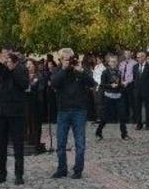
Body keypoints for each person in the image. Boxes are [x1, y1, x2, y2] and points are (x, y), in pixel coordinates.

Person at [51, 48, 96, 179]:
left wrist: (81, 71)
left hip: (79, 110)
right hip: (63, 110)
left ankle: (78, 170)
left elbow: (92, 83)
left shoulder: (79, 69)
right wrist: (64, 69)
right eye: (65, 59)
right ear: (60, 60)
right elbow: (54, 83)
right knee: (61, 142)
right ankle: (62, 169)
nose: (68, 61)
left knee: (80, 143)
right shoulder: (57, 70)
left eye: (69, 58)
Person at [0, 50, 29, 185]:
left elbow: (24, 84)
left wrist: (13, 69)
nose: (6, 59)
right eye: (4, 56)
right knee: (0, 145)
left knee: (18, 145)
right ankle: (1, 174)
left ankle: (19, 174)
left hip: (16, 113)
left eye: (8, 57)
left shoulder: (21, 69)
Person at [95, 54, 130, 140]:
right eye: (112, 62)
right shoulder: (105, 72)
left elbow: (119, 83)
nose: (113, 63)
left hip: (118, 96)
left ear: (117, 62)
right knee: (105, 117)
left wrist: (122, 85)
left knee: (122, 115)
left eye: (115, 61)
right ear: (109, 62)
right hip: (108, 97)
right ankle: (98, 132)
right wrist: (110, 85)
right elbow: (102, 84)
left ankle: (124, 134)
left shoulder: (119, 72)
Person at [132, 51, 149, 130]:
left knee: (148, 108)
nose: (138, 59)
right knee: (137, 108)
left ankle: (148, 124)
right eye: (137, 57)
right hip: (137, 91)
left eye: (140, 57)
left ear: (144, 57)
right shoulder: (135, 67)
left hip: (147, 91)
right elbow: (135, 78)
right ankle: (139, 124)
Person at [24, 59, 46, 152]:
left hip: (36, 103)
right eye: (27, 64)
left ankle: (36, 141)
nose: (28, 66)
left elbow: (41, 88)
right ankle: (28, 139)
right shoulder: (24, 76)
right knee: (27, 121)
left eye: (30, 64)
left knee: (36, 122)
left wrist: (32, 88)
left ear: (34, 65)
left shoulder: (39, 76)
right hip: (26, 102)